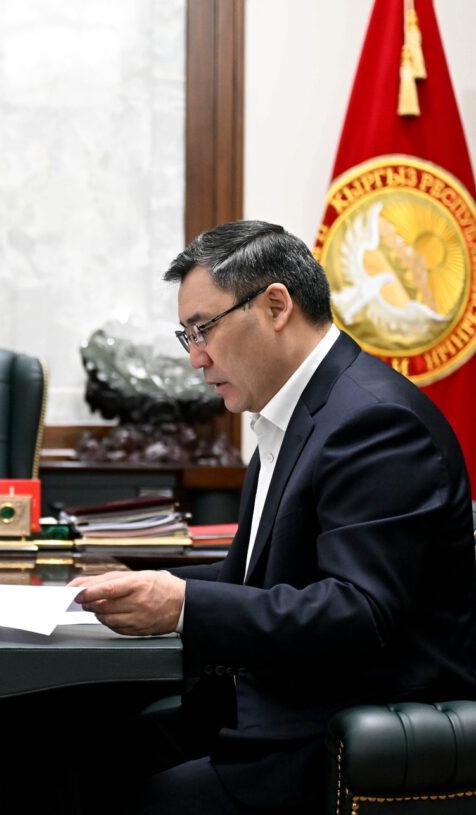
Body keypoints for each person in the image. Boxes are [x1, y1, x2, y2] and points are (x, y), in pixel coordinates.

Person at [71, 220, 476, 814]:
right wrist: (132, 583)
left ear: (276, 305)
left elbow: (357, 612)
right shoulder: (293, 412)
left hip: (342, 734)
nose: (196, 358)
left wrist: (182, 604)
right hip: (275, 706)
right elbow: (262, 576)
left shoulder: (374, 422)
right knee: (78, 755)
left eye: (203, 329)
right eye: (187, 336)